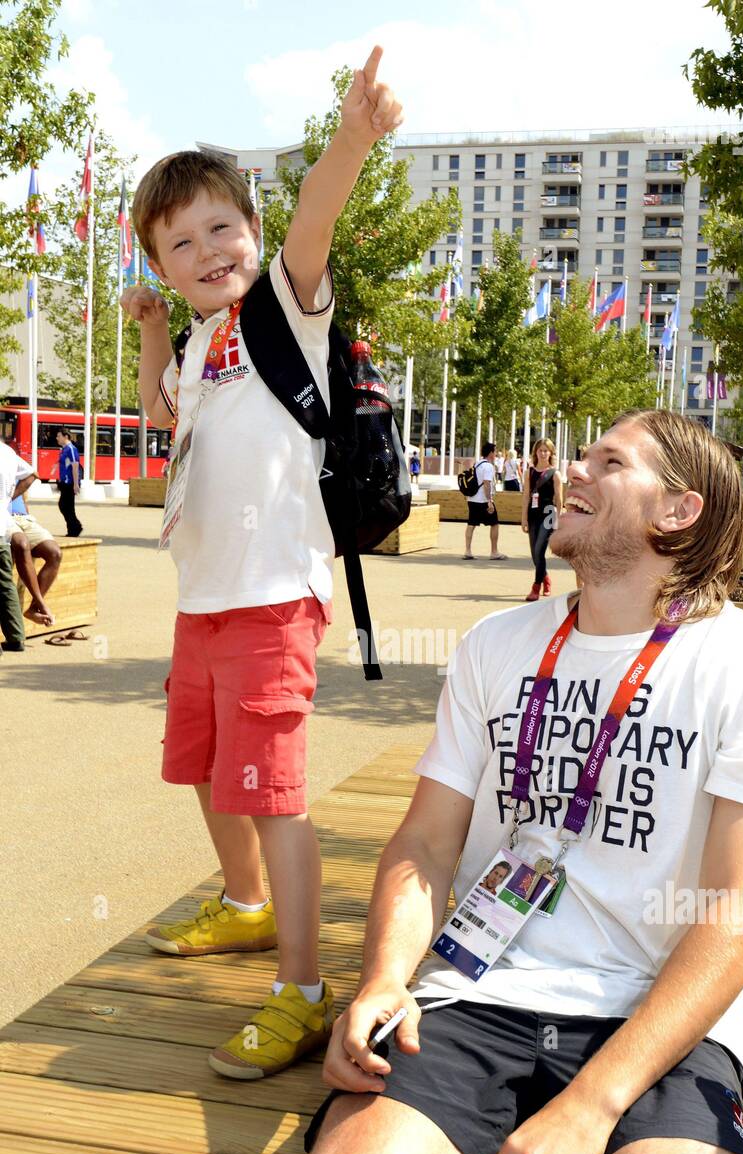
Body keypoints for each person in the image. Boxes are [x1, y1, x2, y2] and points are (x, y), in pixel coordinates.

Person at [265, 409, 743, 1154]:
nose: (573, 473)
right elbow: (425, 843)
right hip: (475, 1001)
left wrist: (591, 1107)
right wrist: (384, 979)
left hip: (662, 1029)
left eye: (609, 461)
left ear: (678, 510)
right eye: (578, 457)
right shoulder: (497, 646)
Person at [122, 47, 403, 1081]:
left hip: (274, 597)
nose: (206, 251)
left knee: (272, 788)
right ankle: (244, 907)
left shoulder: (282, 311)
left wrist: (351, 138)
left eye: (222, 228)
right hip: (204, 600)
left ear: (252, 231)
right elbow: (164, 415)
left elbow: (315, 221)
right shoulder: (201, 344)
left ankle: (302, 986)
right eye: (180, 242)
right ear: (160, 264)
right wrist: (156, 337)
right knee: (203, 764)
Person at [7, 490, 62, 631]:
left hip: (23, 518)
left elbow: (24, 494)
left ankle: (33, 609)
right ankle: (41, 603)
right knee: (21, 545)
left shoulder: (14, 468)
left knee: (54, 553)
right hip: (4, 518)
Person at [521, 437, 562, 601]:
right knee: (534, 555)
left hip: (548, 514)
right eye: (540, 450)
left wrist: (559, 520)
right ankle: (546, 578)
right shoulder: (528, 472)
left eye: (546, 450)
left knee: (539, 550)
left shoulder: (555, 473)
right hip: (533, 515)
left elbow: (559, 499)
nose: (543, 453)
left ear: (551, 453)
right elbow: (525, 497)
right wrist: (523, 519)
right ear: (535, 452)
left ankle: (535, 587)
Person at [0, 441, 31, 653]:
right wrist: (10, 498)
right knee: (5, 584)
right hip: (1, 524)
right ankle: (16, 637)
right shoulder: (7, 452)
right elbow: (31, 474)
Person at [464, 441, 506, 561]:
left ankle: (468, 550)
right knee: (494, 524)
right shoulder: (488, 466)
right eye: (495, 452)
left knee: (471, 524)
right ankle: (494, 551)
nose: (496, 454)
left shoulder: (477, 464)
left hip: (472, 499)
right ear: (491, 453)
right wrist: (489, 500)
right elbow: (487, 484)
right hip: (483, 500)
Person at [55, 429, 83, 537]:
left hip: (70, 482)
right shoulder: (64, 449)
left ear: (65, 436)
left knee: (66, 506)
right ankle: (73, 528)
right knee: (64, 506)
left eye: (59, 436)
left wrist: (76, 484)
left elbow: (75, 466)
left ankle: (75, 528)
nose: (57, 438)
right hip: (64, 482)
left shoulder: (71, 449)